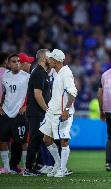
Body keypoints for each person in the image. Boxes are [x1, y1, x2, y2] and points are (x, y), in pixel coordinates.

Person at [39, 49, 77, 178]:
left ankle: (62, 169)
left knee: (64, 141)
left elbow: (73, 93)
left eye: (50, 59)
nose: (48, 60)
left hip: (62, 113)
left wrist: (66, 110)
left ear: (55, 61)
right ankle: (58, 164)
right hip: (52, 111)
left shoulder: (66, 73)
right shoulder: (56, 72)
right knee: (46, 139)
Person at [23, 49, 51, 176]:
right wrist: (46, 109)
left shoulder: (42, 72)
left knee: (38, 139)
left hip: (39, 112)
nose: (52, 59)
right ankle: (28, 169)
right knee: (34, 139)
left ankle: (35, 166)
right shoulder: (39, 73)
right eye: (50, 56)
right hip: (36, 112)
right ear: (44, 58)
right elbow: (37, 94)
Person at [0, 54, 30, 174]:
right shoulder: (4, 76)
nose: (16, 63)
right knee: (2, 141)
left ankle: (26, 167)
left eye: (18, 61)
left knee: (23, 142)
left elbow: (35, 93)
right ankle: (7, 168)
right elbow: (2, 93)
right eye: (13, 61)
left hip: (19, 113)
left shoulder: (27, 77)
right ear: (8, 64)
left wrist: (27, 106)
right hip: (5, 113)